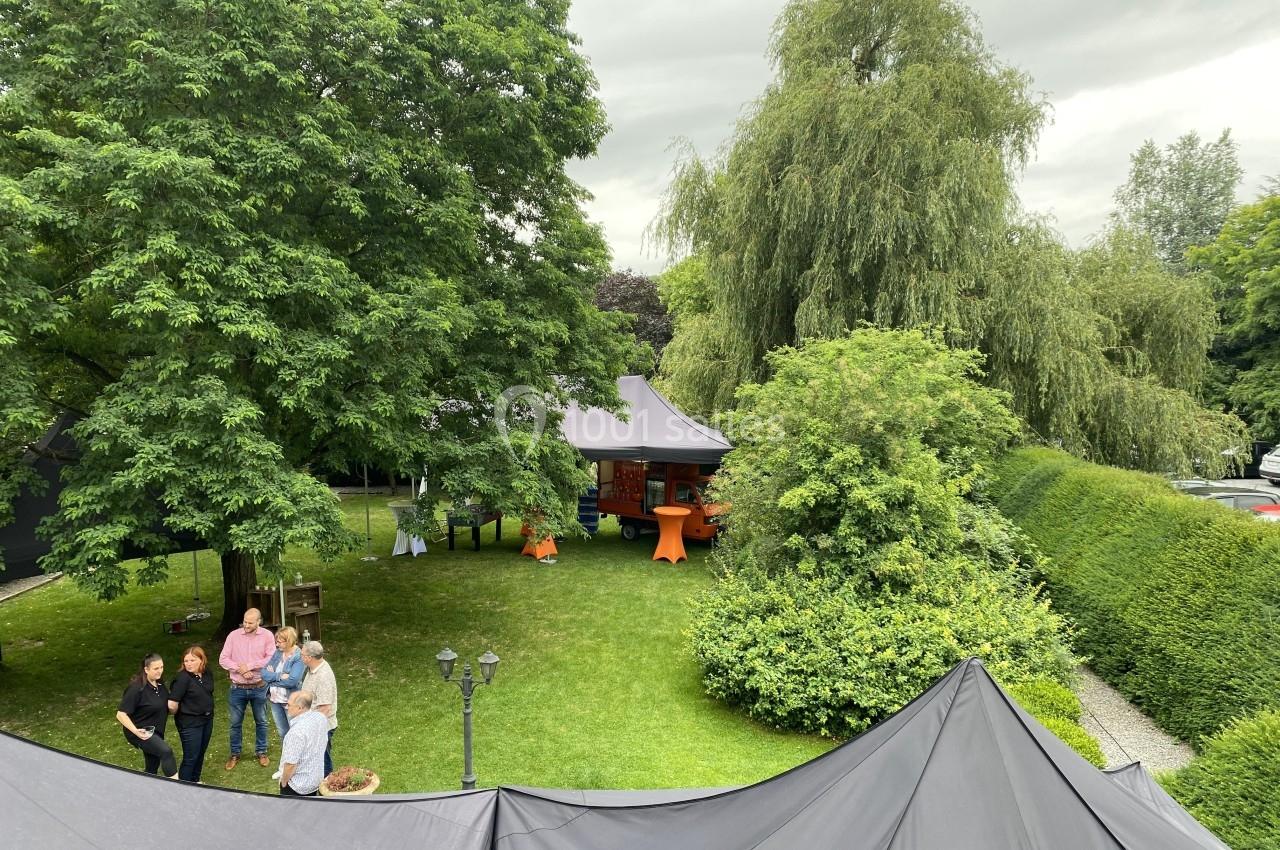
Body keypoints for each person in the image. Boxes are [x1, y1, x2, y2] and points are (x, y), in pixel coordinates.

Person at [218, 607, 275, 769]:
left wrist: (249, 666)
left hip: (259, 686)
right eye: (245, 621)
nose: (246, 625)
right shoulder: (233, 636)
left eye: (250, 622)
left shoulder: (267, 636)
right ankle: (235, 754)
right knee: (235, 723)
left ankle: (261, 752)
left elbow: (270, 658)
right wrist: (239, 668)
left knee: (262, 721)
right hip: (238, 688)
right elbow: (223, 659)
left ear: (259, 622)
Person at [115, 653, 178, 778]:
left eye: (161, 667)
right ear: (146, 669)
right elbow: (121, 714)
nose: (160, 671)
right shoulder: (136, 688)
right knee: (166, 752)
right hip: (141, 731)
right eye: (156, 668)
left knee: (152, 765)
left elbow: (164, 706)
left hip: (156, 730)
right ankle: (177, 787)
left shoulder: (160, 685)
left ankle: (147, 788)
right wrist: (136, 732)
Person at [167, 645, 215, 783]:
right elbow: (172, 703)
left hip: (206, 719)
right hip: (190, 723)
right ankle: (184, 786)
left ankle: (195, 781)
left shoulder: (206, 673)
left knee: (200, 754)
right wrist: (180, 713)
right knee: (191, 756)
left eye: (192, 660)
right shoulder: (182, 678)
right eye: (186, 661)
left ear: (201, 660)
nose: (189, 664)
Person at [277, 690, 328, 796]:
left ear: (300, 708)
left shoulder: (296, 733)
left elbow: (290, 765)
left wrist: (284, 782)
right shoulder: (321, 718)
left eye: (290, 705)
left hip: (297, 787)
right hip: (315, 780)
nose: (287, 707)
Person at [300, 640, 338, 777]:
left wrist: (311, 729)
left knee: (323, 760)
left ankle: (326, 792)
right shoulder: (313, 668)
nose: (300, 656)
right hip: (313, 723)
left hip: (322, 727)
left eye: (302, 654)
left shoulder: (323, 676)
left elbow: (325, 709)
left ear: (309, 658)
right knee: (316, 759)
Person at [261, 626, 306, 740]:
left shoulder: (298, 657)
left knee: (295, 734)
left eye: (280, 642)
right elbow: (263, 673)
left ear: (289, 641)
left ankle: (298, 758)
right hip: (275, 700)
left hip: (290, 702)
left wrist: (271, 681)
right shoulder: (278, 653)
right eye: (276, 641)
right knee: (283, 733)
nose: (277, 645)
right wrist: (279, 676)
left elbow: (292, 681)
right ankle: (287, 758)